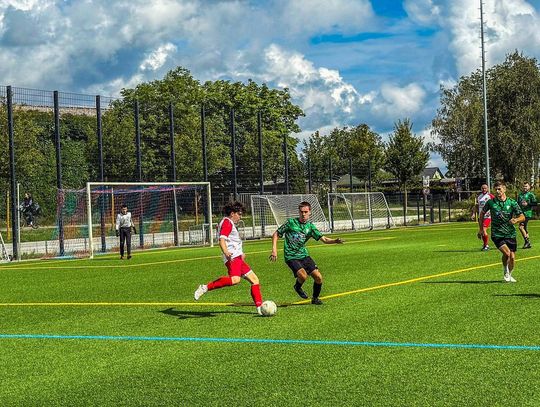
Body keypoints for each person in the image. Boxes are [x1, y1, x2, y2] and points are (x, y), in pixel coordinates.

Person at [194, 201, 264, 314]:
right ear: (232, 213)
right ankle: (205, 287)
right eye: (239, 214)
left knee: (255, 280)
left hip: (237, 257)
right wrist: (226, 252)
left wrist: (241, 253)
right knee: (235, 280)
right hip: (232, 257)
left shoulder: (228, 222)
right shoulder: (227, 222)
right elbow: (222, 239)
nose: (240, 217)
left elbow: (232, 241)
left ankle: (260, 307)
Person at [270, 201, 343, 305]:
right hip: (291, 256)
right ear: (299, 212)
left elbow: (324, 239)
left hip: (304, 255)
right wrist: (274, 250)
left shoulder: (310, 227)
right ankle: (297, 287)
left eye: (305, 212)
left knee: (318, 277)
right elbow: (276, 234)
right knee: (303, 276)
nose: (303, 214)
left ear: (310, 212)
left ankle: (315, 298)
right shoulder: (291, 223)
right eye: (301, 212)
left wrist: (335, 241)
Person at [478, 181, 525, 283]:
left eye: (499, 189)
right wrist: (481, 229)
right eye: (496, 189)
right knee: (507, 253)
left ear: (504, 189)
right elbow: (482, 214)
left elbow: (522, 216)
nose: (497, 191)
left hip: (510, 233)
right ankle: (505, 270)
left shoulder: (512, 202)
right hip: (497, 234)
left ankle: (510, 274)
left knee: (512, 257)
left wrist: (516, 220)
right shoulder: (491, 202)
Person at [472, 184, 494, 251]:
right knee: (481, 231)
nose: (484, 189)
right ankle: (484, 245)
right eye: (483, 188)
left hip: (488, 216)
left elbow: (496, 204)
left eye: (485, 188)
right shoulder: (479, 197)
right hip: (481, 217)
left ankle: (486, 246)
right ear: (481, 189)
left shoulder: (490, 196)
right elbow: (476, 206)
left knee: (484, 230)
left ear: (487, 189)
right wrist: (473, 214)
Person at [517, 181, 537, 249]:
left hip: (527, 213)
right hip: (521, 214)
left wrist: (527, 204)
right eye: (523, 186)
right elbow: (517, 204)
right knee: (524, 228)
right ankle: (528, 243)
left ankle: (526, 242)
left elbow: (535, 203)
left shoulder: (531, 195)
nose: (524, 187)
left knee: (521, 227)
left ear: (529, 187)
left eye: (526, 186)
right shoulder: (520, 195)